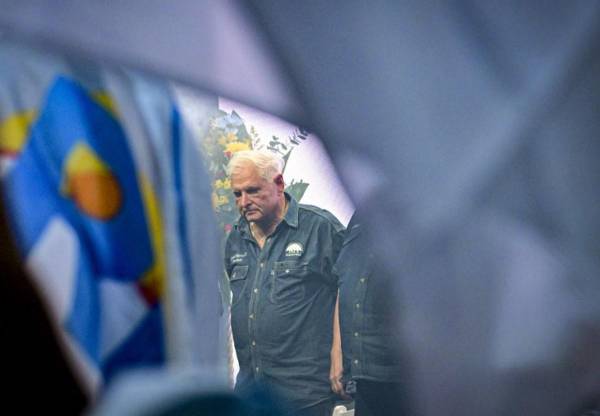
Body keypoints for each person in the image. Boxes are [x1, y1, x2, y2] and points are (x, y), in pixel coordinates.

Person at [224, 150, 345, 416]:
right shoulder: (236, 238)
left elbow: (351, 288)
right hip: (251, 393)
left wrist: (341, 350)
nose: (243, 202)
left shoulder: (319, 228)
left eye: (253, 191)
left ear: (279, 184)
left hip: (304, 394)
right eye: (237, 194)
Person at [331, 211, 409, 415]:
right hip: (364, 375)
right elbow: (345, 280)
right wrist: (338, 353)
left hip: (403, 375)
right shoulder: (362, 214)